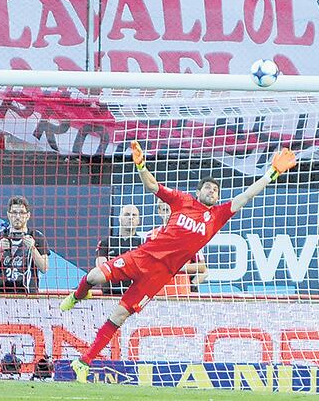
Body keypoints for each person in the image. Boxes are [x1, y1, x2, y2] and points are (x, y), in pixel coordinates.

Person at [60, 141, 297, 383]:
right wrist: (141, 165)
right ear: (198, 192)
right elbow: (152, 185)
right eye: (207, 187)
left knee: (119, 316)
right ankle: (78, 295)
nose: (212, 191)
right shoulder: (181, 201)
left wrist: (272, 173)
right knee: (93, 277)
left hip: (160, 276)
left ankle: (83, 362)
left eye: (216, 190)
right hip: (143, 256)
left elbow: (247, 195)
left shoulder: (217, 216)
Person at [0, 196, 48, 293]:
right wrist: (0, 250)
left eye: (22, 213)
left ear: (28, 215)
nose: (18, 216)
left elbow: (44, 268)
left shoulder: (37, 237)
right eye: (14, 213)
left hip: (28, 293)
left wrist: (32, 248)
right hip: (2, 291)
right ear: (9, 215)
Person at [94, 204, 142, 296]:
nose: (130, 218)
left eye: (134, 215)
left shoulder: (143, 244)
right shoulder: (106, 243)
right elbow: (101, 268)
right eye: (127, 214)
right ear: (119, 218)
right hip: (109, 294)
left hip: (134, 295)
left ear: (139, 220)